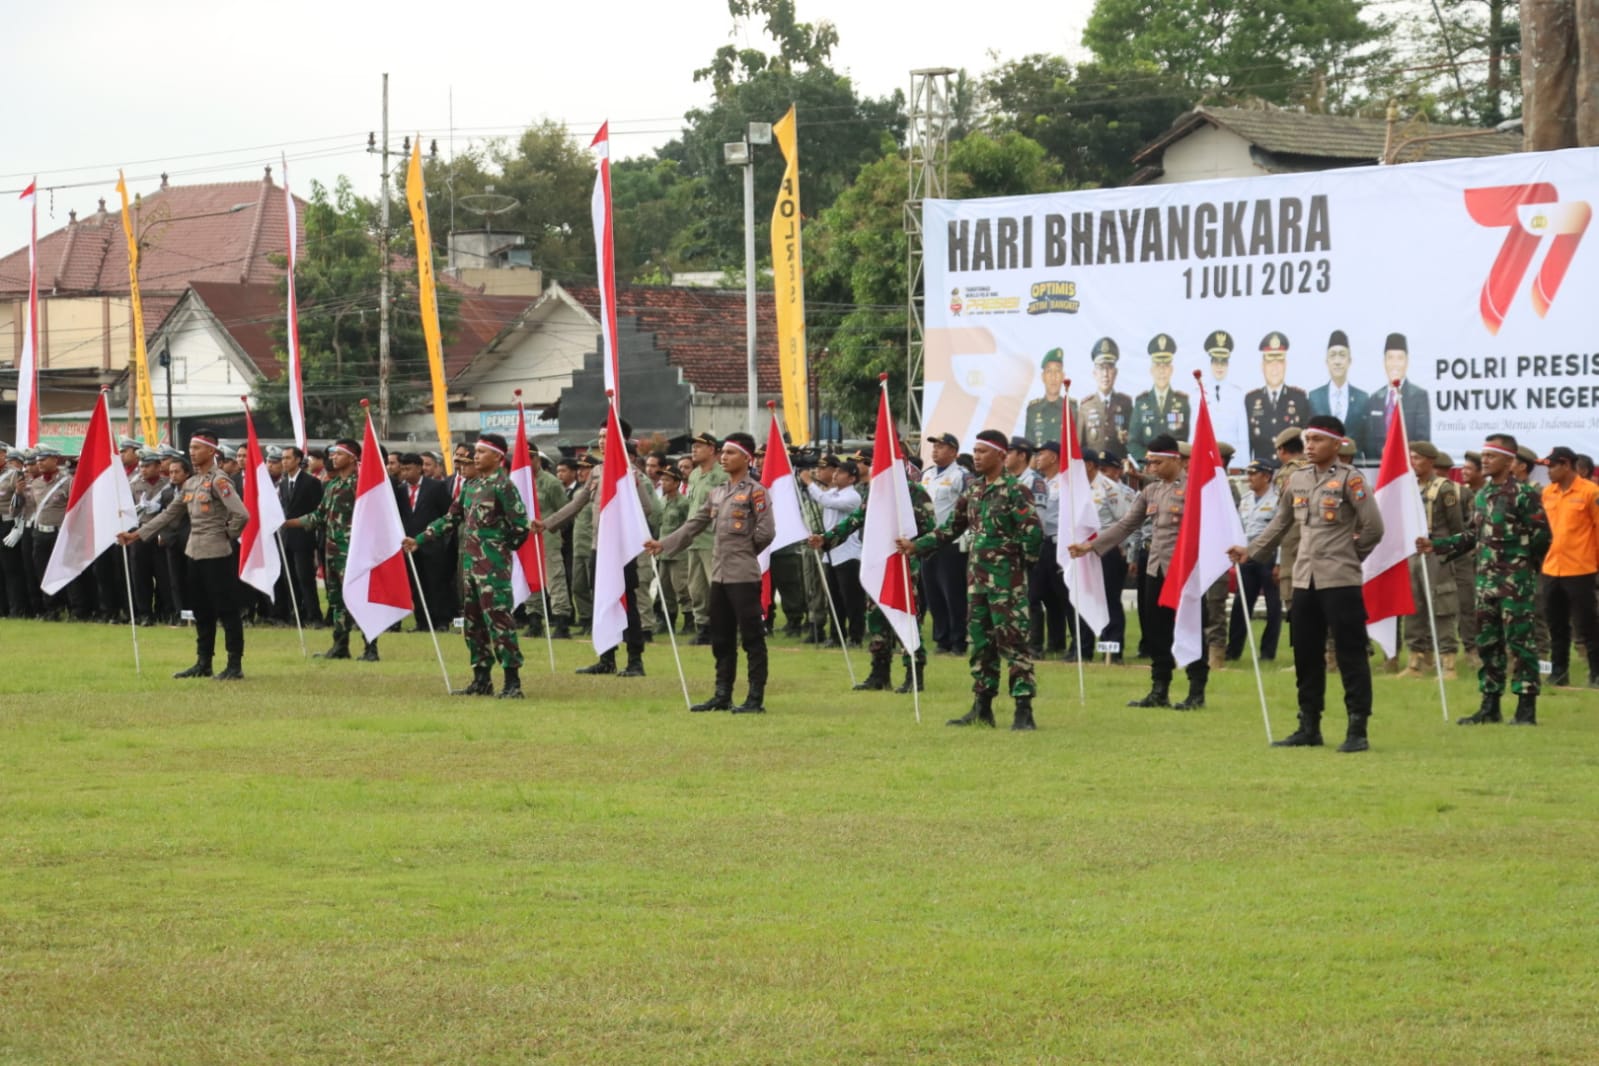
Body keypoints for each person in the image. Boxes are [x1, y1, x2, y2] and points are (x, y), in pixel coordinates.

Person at [1230, 415, 1384, 751]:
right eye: (1308, 440)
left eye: (1317, 440)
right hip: (1304, 579)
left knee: (1350, 653)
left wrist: (1349, 555)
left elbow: (1374, 527)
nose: (1310, 446)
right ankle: (1309, 726)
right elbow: (1280, 523)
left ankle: (1357, 729)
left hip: (1340, 580)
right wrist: (1251, 551)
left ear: (1337, 444)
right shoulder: (1297, 479)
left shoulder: (1351, 479)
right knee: (1306, 653)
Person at [906, 428, 1043, 730]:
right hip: (977, 582)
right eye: (976, 451)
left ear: (1000, 455)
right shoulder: (974, 491)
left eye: (983, 452)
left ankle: (1023, 709)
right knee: (981, 644)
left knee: (1013, 642)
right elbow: (950, 529)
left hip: (1006, 584)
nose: (977, 457)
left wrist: (1018, 569)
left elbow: (1033, 534)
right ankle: (982, 707)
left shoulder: (1015, 490)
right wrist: (917, 545)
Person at [1072, 433, 1210, 709]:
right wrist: (1092, 546)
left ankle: (1196, 692)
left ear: (1176, 460)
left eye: (1157, 462)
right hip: (1155, 568)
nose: (1151, 468)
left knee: (1190, 628)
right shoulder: (1151, 491)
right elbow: (1127, 524)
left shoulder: (1196, 488)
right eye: (1149, 462)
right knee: (1156, 630)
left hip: (1185, 571)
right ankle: (1159, 690)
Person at [644, 432, 775, 711]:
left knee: (752, 637)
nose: (724, 457)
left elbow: (766, 532)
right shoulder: (718, 493)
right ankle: (722, 694)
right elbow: (694, 524)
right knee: (721, 637)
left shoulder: (756, 492)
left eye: (730, 453)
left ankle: (754, 699)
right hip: (719, 574)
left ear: (746, 458)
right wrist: (663, 544)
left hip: (743, 575)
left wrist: (743, 552)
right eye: (723, 452)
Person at [1425, 434, 1549, 725]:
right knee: (1488, 643)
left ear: (1509, 460)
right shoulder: (1482, 495)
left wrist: (1524, 565)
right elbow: (1473, 535)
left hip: (1515, 582)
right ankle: (1490, 706)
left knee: (1520, 643)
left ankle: (1526, 708)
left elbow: (1542, 535)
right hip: (1486, 583)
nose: (1485, 461)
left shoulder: (1524, 494)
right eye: (1484, 456)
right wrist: (1437, 545)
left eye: (1491, 456)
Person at [406, 433, 532, 699]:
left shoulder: (504, 486)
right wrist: (419, 539)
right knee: (472, 623)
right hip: (469, 567)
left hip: (493, 569)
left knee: (499, 621)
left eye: (482, 452)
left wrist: (498, 549)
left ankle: (512, 682)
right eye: (476, 451)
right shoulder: (471, 486)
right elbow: (450, 519)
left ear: (497, 457)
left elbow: (521, 526)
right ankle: (481, 679)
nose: (476, 456)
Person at [118, 429, 250, 680]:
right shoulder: (190, 483)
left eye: (197, 447)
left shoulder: (219, 481)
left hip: (216, 554)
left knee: (226, 609)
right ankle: (203, 662)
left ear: (211, 451)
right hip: (194, 552)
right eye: (190, 447)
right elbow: (169, 514)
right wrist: (137, 535)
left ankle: (234, 664)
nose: (192, 452)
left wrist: (226, 535)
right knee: (201, 609)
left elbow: (241, 514)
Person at [812, 463, 936, 694]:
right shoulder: (876, 492)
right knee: (876, 617)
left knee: (906, 616)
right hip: (878, 562)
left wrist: (914, 544)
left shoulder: (914, 492)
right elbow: (855, 519)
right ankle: (879, 674)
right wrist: (827, 539)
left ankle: (913, 673)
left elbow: (930, 527)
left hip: (902, 562)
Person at [285, 437, 379, 662]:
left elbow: (374, 517)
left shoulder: (361, 485)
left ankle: (371, 648)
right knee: (336, 600)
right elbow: (319, 516)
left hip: (354, 553)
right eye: (332, 454)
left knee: (359, 599)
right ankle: (340, 645)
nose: (333, 457)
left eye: (338, 454)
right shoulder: (332, 485)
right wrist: (287, 522)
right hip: (332, 551)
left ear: (352, 458)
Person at [1396, 442, 1463, 679]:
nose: (1413, 462)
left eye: (1417, 458)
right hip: (1412, 554)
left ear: (1431, 461)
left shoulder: (1444, 489)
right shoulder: (1408, 488)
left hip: (1437, 554)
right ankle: (1416, 661)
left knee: (1441, 606)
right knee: (1413, 607)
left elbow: (1456, 528)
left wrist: (1443, 548)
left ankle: (1448, 663)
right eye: (1411, 458)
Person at [1536, 445, 1599, 689]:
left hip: (1581, 568)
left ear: (1566, 465)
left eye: (1552, 466)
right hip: (1552, 568)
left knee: (1587, 625)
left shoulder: (1590, 492)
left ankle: (1596, 673)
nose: (1548, 471)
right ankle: (1559, 672)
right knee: (1556, 624)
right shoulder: (1547, 493)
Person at [1228, 459, 1283, 661]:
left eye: (1253, 474)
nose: (1248, 478)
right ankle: (1233, 650)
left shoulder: (1278, 499)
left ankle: (1267, 653)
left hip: (1269, 557)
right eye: (1248, 473)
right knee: (1241, 604)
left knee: (1273, 607)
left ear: (1266, 476)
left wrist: (1280, 563)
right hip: (1248, 556)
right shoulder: (1246, 499)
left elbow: (1282, 534)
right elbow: (1241, 529)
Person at [920, 431, 970, 655]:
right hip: (928, 541)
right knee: (933, 594)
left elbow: (970, 508)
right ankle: (942, 640)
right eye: (934, 446)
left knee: (953, 593)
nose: (935, 450)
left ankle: (958, 640)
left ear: (953, 451)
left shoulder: (962, 475)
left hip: (952, 543)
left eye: (940, 446)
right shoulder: (927, 475)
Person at [1087, 449, 1137, 661]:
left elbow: (1127, 523)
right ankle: (1094, 646)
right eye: (1101, 468)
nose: (1103, 473)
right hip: (1087, 550)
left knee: (1109, 599)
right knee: (1092, 600)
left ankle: (1114, 649)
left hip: (1110, 549)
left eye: (1106, 469)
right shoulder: (1085, 487)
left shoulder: (1114, 490)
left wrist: (1130, 554)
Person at [394, 452, 454, 630]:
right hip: (409, 545)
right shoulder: (399, 491)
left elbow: (447, 513)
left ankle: (441, 621)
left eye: (409, 468)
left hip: (431, 544)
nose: (405, 472)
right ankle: (422, 621)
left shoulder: (436, 487)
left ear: (419, 468)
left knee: (435, 583)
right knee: (416, 583)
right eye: (402, 469)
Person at [684, 431, 727, 644]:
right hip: (693, 540)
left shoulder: (722, 475)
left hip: (712, 539)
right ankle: (703, 627)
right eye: (693, 445)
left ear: (711, 449)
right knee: (696, 588)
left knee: (717, 587)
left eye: (699, 446)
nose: (694, 449)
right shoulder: (693, 475)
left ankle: (725, 628)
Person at [277, 445, 324, 627]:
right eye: (283, 458)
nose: (284, 462)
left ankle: (314, 615)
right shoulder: (283, 483)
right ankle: (296, 614)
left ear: (298, 460)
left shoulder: (311, 482)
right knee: (289, 578)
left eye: (288, 458)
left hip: (304, 537)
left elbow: (318, 510)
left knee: (305, 578)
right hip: (287, 537)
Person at [1245, 333, 1311, 463]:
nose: (1274, 368)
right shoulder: (1251, 400)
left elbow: (1307, 439)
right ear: (1262, 366)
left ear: (1285, 365)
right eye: (1269, 362)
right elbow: (1247, 443)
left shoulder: (1299, 398)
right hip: (1262, 470)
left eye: (1279, 362)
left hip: (1292, 469)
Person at [1361, 333, 1431, 451]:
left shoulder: (1419, 396)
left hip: (1408, 461)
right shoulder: (1374, 398)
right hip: (1378, 462)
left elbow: (1423, 441)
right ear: (1384, 362)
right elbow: (1368, 441)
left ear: (1407, 362)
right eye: (1390, 358)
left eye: (1400, 358)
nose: (1395, 364)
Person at [1307, 330, 1370, 458]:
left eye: (1342, 355)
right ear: (1327, 361)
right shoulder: (1315, 397)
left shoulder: (1362, 398)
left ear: (1349, 361)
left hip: (1354, 465)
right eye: (1333, 355)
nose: (1337, 361)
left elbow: (1367, 441)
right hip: (1323, 464)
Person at [1129, 333, 1191, 460]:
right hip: (1148, 465)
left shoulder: (1182, 403)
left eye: (1166, 365)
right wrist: (1149, 461)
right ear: (1151, 370)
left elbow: (1183, 441)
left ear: (1171, 369)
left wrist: (1170, 462)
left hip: (1173, 465)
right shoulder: (1141, 403)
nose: (1162, 371)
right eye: (1158, 365)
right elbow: (1133, 442)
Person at [1199, 331, 1250, 470]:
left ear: (1228, 365)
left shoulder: (1238, 394)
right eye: (1216, 362)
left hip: (1232, 460)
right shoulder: (1198, 393)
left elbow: (1243, 434)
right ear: (1210, 364)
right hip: (1206, 458)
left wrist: (1244, 464)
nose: (1219, 367)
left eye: (1223, 362)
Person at [1079, 338, 1135, 457]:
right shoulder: (1085, 406)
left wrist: (1128, 438)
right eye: (1101, 368)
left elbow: (1134, 442)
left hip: (1118, 466)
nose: (1105, 374)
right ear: (1094, 373)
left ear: (1115, 372)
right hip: (1094, 466)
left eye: (1109, 368)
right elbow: (1079, 446)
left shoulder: (1126, 404)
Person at [1024, 348, 1077, 446]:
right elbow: (1029, 446)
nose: (1053, 377)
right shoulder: (1033, 410)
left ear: (1063, 376)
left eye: (1057, 371)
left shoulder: (1072, 408)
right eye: (1049, 371)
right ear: (1043, 377)